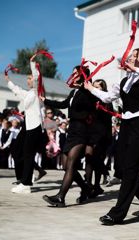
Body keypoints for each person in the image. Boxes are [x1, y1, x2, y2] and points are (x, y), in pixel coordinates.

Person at [84, 48, 139, 225]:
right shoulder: (124, 81)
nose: (131, 57)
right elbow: (108, 97)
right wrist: (90, 88)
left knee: (132, 169)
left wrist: (136, 70)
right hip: (126, 125)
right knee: (121, 169)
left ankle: (117, 213)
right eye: (131, 55)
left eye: (135, 56)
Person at [41, 65, 98, 207]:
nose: (72, 75)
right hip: (71, 130)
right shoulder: (74, 92)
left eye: (74, 73)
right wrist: (46, 100)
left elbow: (91, 107)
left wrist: (87, 87)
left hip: (82, 131)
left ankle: (60, 197)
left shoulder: (88, 92)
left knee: (71, 164)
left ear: (81, 75)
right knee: (67, 166)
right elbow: (63, 104)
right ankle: (86, 188)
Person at [5, 53, 43, 194]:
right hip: (29, 127)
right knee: (25, 154)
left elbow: (37, 77)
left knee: (28, 154)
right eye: (27, 78)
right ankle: (25, 181)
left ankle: (26, 184)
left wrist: (32, 64)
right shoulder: (28, 94)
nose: (28, 80)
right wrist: (8, 81)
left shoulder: (37, 91)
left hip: (35, 127)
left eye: (29, 77)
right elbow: (17, 90)